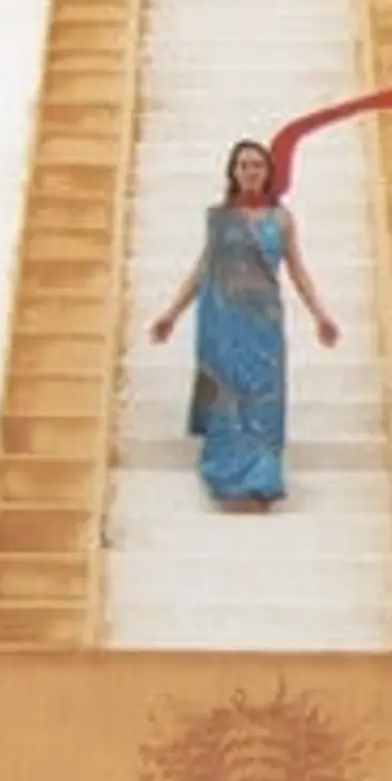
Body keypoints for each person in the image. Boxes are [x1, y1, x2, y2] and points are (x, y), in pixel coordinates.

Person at [149, 138, 338, 511]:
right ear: (233, 173)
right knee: (227, 395)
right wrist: (171, 313)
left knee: (263, 397)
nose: (250, 171)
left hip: (263, 321)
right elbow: (203, 269)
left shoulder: (282, 220)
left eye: (257, 165)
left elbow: (297, 270)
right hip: (221, 320)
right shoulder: (218, 218)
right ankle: (227, 478)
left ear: (267, 173)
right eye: (244, 165)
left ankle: (262, 479)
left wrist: (320, 314)